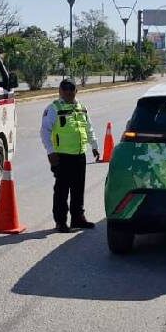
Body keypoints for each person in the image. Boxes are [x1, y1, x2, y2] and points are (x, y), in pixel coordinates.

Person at [40, 79, 100, 232]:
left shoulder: (81, 107)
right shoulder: (53, 108)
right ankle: (60, 221)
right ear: (60, 91)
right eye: (65, 89)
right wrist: (50, 151)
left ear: (76, 91)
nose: (68, 92)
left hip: (80, 154)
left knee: (78, 188)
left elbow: (88, 127)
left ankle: (77, 218)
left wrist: (94, 146)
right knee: (61, 190)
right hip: (62, 156)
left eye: (71, 89)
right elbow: (45, 131)